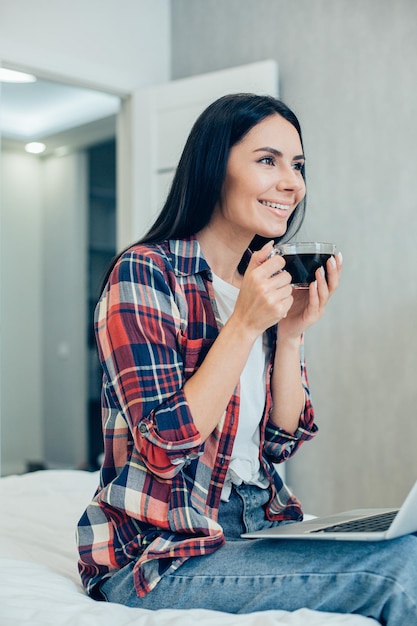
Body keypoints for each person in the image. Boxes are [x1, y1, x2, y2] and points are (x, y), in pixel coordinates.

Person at [77, 93, 416, 624]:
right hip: (160, 553)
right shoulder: (144, 274)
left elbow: (279, 443)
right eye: (268, 160)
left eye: (297, 165)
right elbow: (164, 447)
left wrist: (292, 334)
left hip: (261, 522)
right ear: (215, 167)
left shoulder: (262, 281)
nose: (292, 183)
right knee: (399, 571)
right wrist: (245, 324)